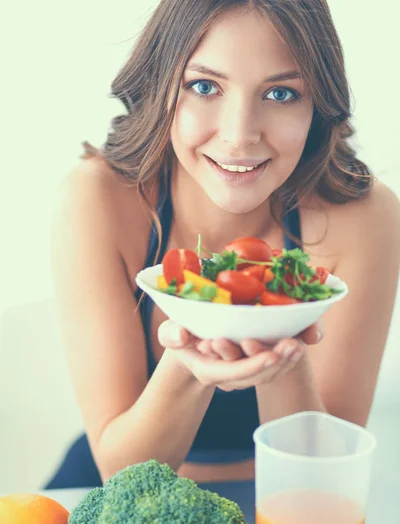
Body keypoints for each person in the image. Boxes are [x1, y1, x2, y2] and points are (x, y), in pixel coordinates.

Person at [45, 0, 400, 489]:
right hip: (114, 496)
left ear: (318, 104)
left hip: (280, 502)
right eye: (205, 86)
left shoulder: (367, 217)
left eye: (280, 93)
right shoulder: (97, 199)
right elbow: (123, 472)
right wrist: (189, 359)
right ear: (161, 84)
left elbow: (322, 475)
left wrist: (281, 352)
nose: (239, 135)